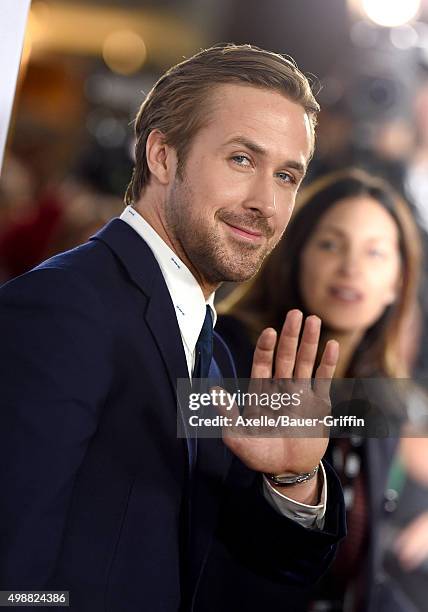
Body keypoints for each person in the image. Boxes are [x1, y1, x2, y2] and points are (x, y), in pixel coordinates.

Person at [0, 44, 346, 612]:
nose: (266, 202)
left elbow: (232, 573)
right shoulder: (61, 308)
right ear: (162, 156)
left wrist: (293, 478)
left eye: (287, 175)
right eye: (241, 159)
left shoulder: (215, 351)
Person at [217, 167, 422, 611]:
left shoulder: (381, 399)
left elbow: (360, 578)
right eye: (331, 244)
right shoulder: (226, 357)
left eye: (375, 253)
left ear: (398, 284)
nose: (351, 268)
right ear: (295, 255)